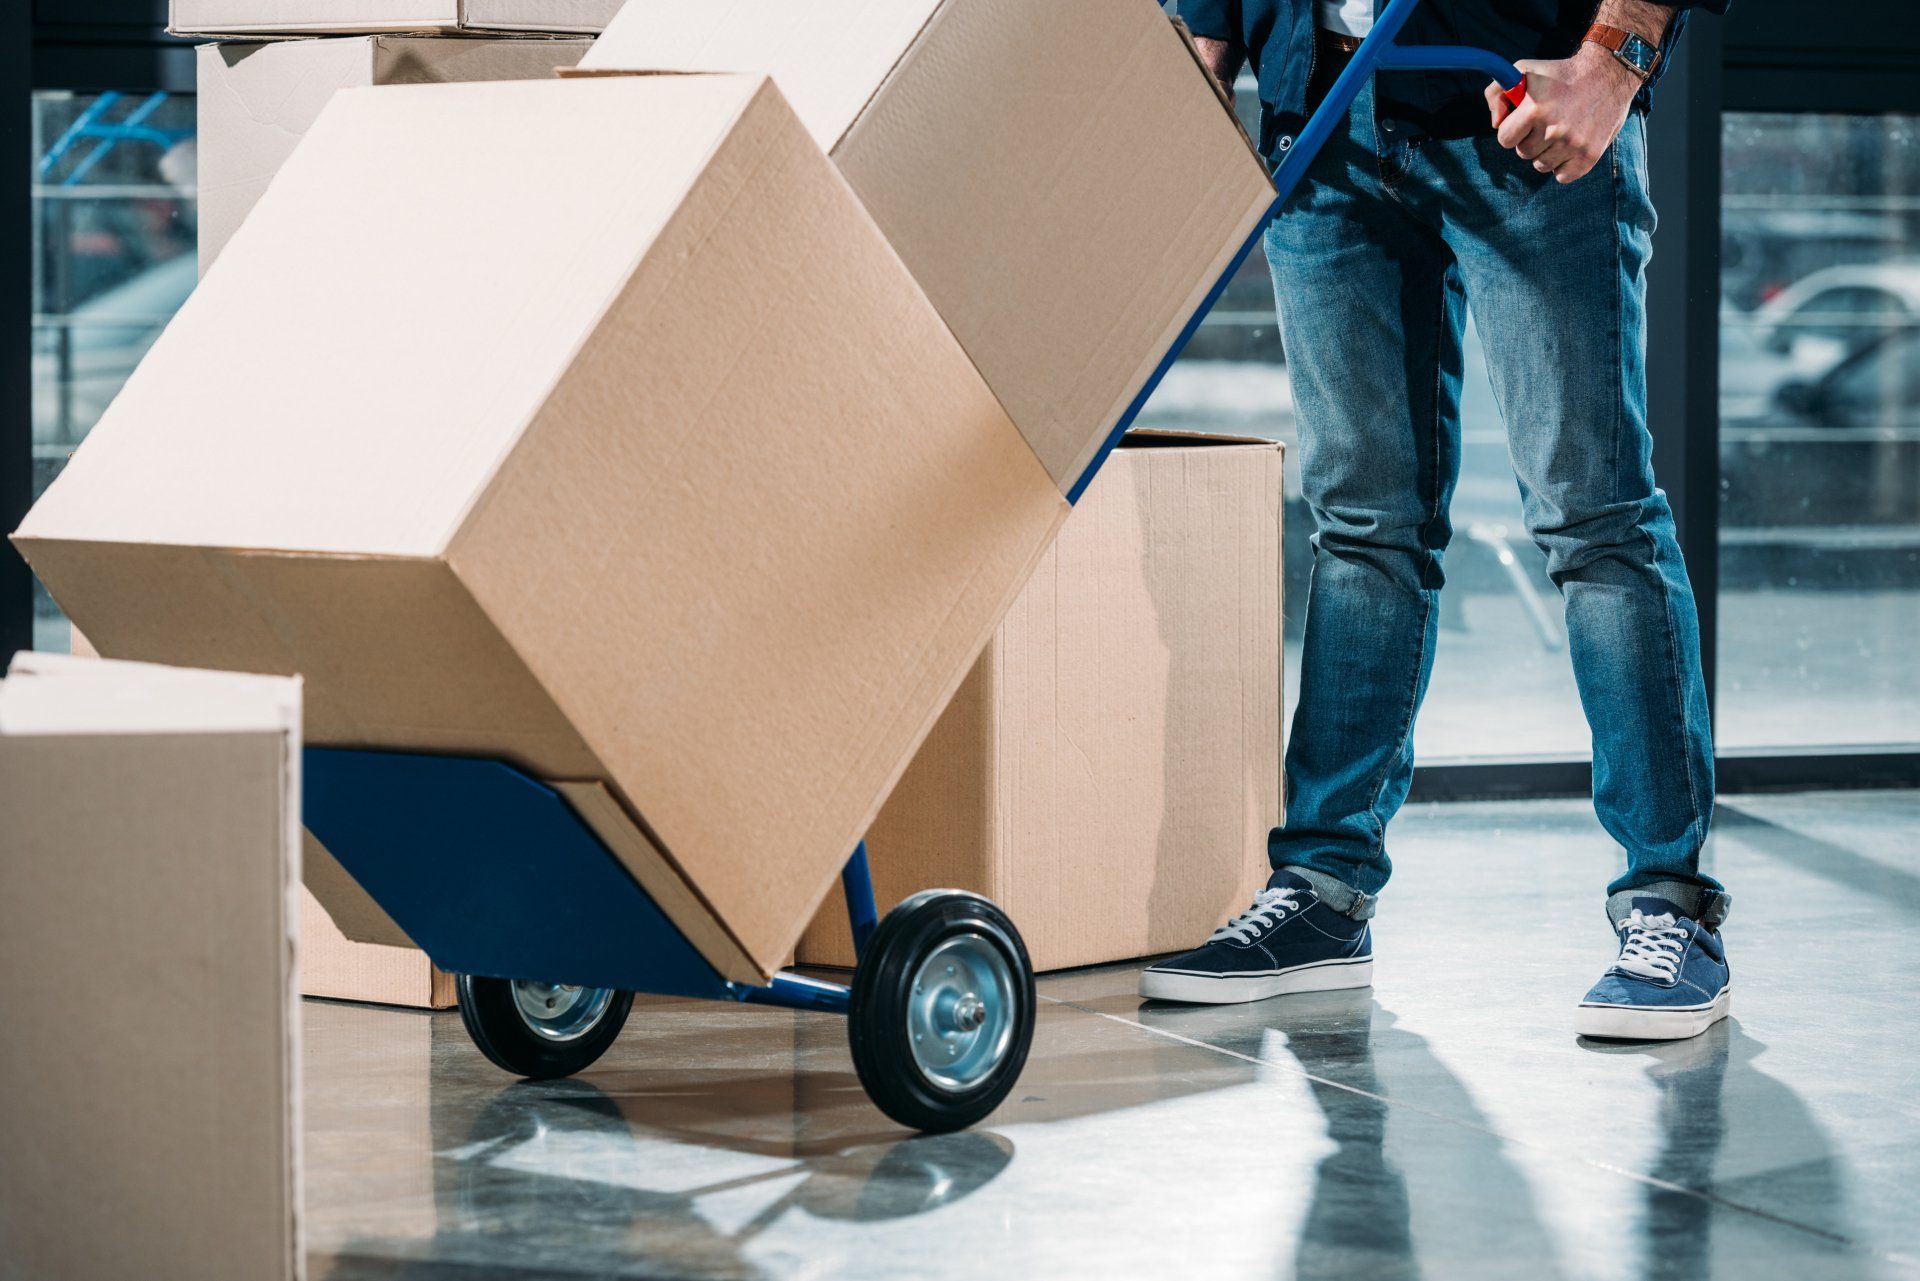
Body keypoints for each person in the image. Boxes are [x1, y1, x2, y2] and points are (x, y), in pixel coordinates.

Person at [1139, 0, 1734, 1041]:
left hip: (1522, 98)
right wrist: (1203, 54)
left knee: (1593, 519)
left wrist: (1618, 61)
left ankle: (1670, 906)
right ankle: (1322, 891)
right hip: (1322, 117)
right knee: (1362, 525)